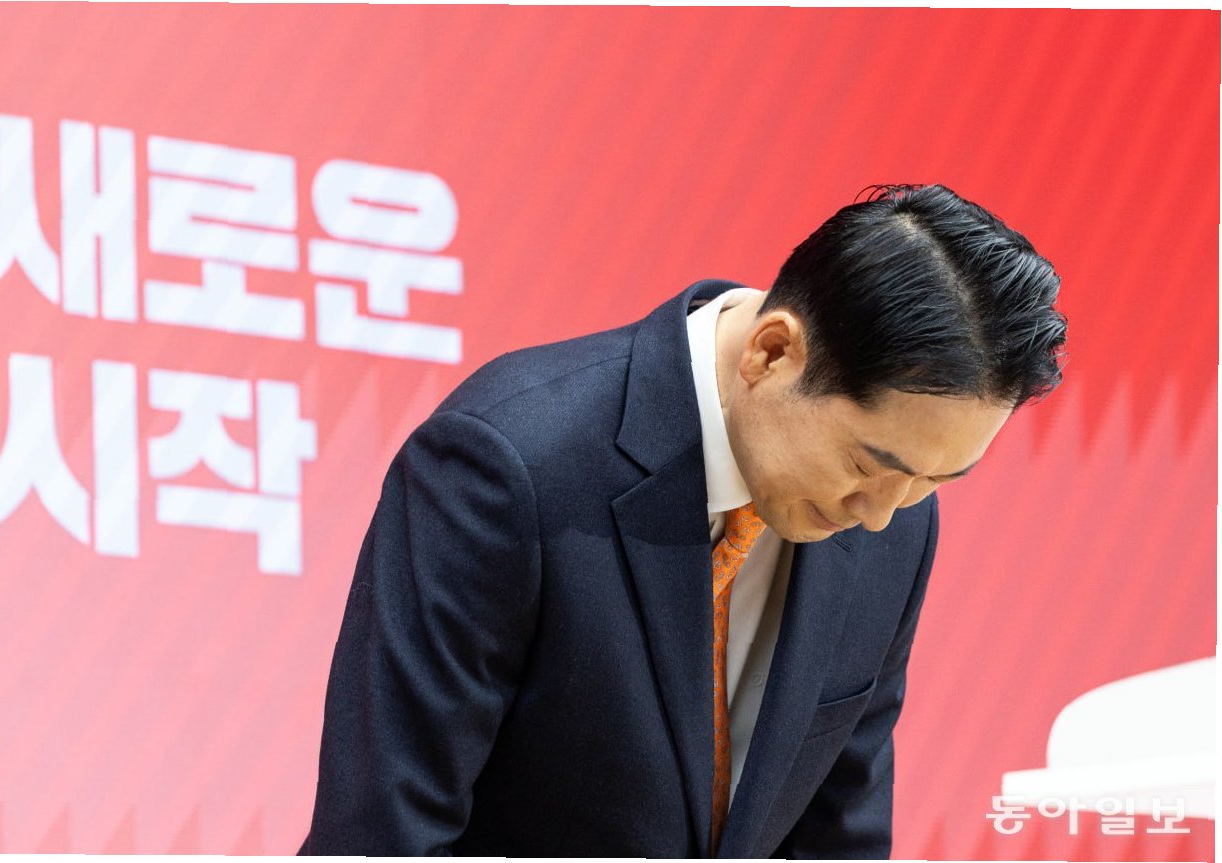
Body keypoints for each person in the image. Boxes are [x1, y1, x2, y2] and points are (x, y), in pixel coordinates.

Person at [297, 184, 1068, 858]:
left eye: (937, 480)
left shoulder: (899, 521)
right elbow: (383, 834)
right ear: (772, 351)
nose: (879, 514)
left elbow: (839, 833)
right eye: (867, 464)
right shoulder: (512, 463)